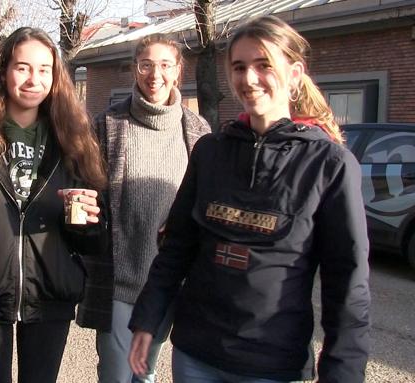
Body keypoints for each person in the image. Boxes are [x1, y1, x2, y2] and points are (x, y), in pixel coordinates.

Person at [127, 15, 371, 383]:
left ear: (293, 75)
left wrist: (342, 373)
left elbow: (348, 283)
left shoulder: (329, 165)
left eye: (264, 65)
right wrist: (148, 319)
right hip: (196, 356)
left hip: (270, 364)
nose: (249, 78)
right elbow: (177, 247)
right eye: (239, 67)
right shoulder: (210, 152)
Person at [0, 27, 108, 383]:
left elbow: (91, 241)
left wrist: (89, 224)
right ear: (2, 70)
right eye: (23, 68)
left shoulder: (74, 139)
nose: (34, 79)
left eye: (44, 69)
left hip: (50, 294)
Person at [76, 33, 211, 383]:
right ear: (135, 70)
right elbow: (88, 192)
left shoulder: (198, 131)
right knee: (117, 376)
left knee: (146, 373)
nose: (156, 74)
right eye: (146, 65)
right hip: (120, 280)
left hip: (169, 282)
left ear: (178, 71)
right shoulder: (108, 126)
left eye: (165, 65)